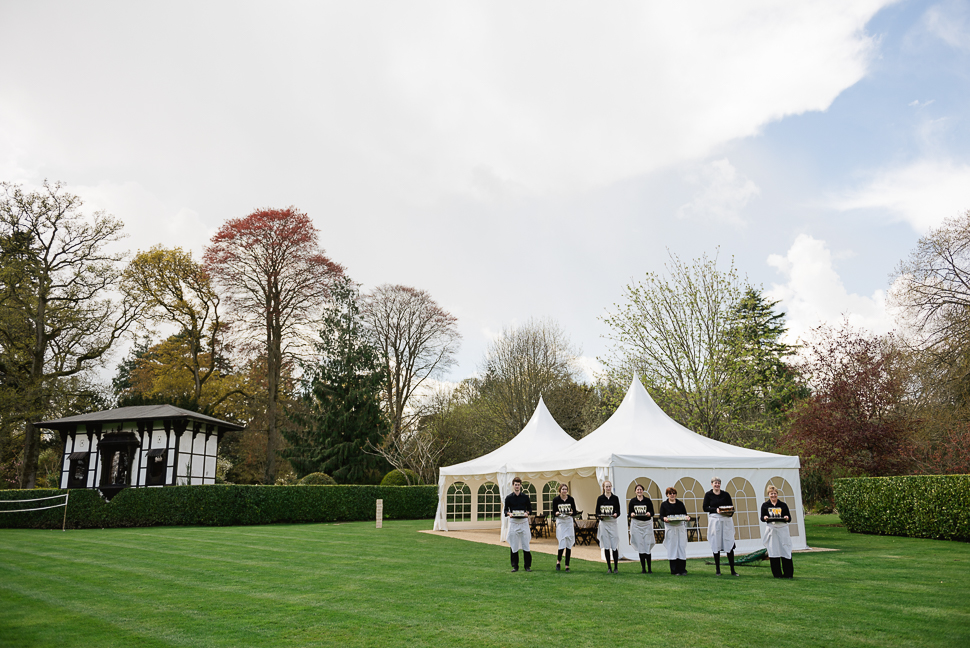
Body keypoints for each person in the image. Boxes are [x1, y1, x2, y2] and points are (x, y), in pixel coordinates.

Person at [703, 477, 738, 576]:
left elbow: (731, 507)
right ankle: (718, 569)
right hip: (715, 521)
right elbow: (705, 508)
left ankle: (732, 570)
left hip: (726, 521)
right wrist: (715, 510)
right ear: (711, 484)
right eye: (715, 483)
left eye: (718, 483)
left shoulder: (726, 494)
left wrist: (728, 513)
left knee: (729, 543)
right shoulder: (708, 495)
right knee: (716, 544)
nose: (717, 485)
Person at [761, 485, 794, 579]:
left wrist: (787, 518)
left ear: (777, 494)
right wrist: (765, 518)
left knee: (785, 550)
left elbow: (789, 517)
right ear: (768, 494)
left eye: (775, 493)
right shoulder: (765, 505)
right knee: (773, 550)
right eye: (771, 494)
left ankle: (788, 574)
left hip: (782, 529)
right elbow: (762, 517)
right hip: (772, 529)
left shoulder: (783, 505)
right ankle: (777, 574)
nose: (773, 495)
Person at [504, 476, 533, 572]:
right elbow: (505, 510)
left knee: (526, 544)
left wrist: (527, 513)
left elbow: (530, 509)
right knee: (514, 544)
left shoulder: (525, 497)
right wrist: (509, 514)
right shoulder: (508, 498)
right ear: (513, 485)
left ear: (520, 485)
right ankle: (515, 566)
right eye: (515, 485)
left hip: (523, 522)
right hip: (513, 522)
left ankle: (527, 566)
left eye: (518, 485)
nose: (517, 486)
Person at [659, 486, 690, 575]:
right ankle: (674, 570)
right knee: (672, 548)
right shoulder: (664, 505)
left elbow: (684, 514)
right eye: (670, 493)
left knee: (681, 547)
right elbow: (661, 516)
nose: (672, 495)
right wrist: (664, 518)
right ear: (667, 495)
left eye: (674, 493)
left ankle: (682, 569)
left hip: (680, 527)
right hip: (670, 527)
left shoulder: (680, 504)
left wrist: (687, 518)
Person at [628, 483, 655, 574]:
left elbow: (652, 512)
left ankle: (650, 568)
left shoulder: (647, 501)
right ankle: (643, 568)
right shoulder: (632, 501)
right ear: (635, 491)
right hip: (637, 524)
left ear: (643, 491)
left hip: (647, 524)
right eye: (637, 490)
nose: (639, 491)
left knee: (647, 545)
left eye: (640, 489)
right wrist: (631, 514)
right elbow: (629, 513)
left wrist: (649, 514)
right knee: (640, 546)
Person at [596, 480, 621, 573]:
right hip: (604, 523)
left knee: (614, 544)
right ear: (603, 488)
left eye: (609, 486)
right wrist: (600, 516)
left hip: (613, 522)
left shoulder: (615, 498)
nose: (608, 488)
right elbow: (597, 512)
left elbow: (618, 511)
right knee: (606, 545)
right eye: (606, 487)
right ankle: (609, 567)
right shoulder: (600, 498)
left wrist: (615, 514)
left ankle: (616, 567)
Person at [552, 483, 578, 572]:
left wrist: (571, 513)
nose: (564, 491)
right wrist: (556, 513)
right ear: (560, 490)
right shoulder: (556, 500)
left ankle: (567, 565)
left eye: (565, 489)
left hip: (568, 522)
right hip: (561, 522)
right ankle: (558, 562)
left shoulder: (571, 499)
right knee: (562, 542)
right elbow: (553, 512)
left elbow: (575, 512)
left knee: (569, 544)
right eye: (563, 489)